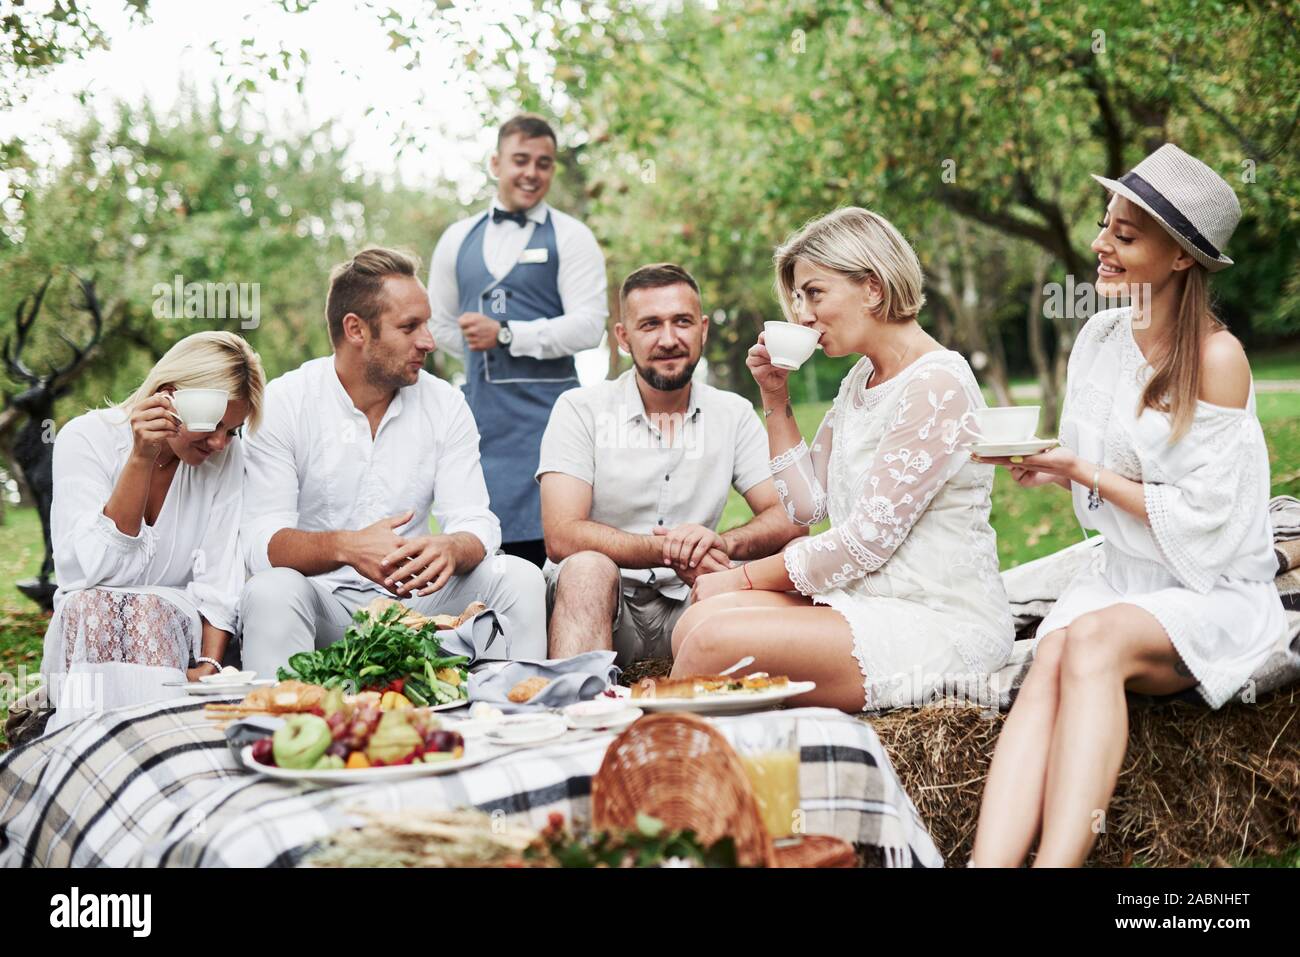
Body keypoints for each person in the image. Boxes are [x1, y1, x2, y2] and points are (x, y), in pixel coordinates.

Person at [970, 144, 1286, 867]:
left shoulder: (1217, 358)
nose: (1100, 244)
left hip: (1204, 585)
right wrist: (1059, 471)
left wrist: (1083, 468)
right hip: (1122, 575)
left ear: (1180, 257)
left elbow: (1205, 523)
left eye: (1125, 233)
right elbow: (1102, 472)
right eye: (1105, 223)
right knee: (1051, 651)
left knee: (1091, 643)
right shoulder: (1100, 336)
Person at [669, 208, 1014, 710]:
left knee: (711, 642)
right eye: (797, 298)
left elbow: (863, 543)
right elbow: (806, 506)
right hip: (868, 600)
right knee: (697, 622)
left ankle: (662, 760)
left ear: (872, 288)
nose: (802, 315)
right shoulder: (860, 380)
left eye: (814, 293)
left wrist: (740, 576)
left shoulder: (937, 383)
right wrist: (775, 397)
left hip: (939, 617)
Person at [239, 248, 547, 675]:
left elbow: (477, 521)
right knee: (270, 589)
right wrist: (345, 547)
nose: (429, 340)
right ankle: (280, 729)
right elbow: (260, 542)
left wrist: (453, 547)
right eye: (409, 327)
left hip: (419, 603)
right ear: (356, 330)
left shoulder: (446, 404)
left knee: (519, 576)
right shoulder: (285, 403)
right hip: (323, 603)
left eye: (426, 323)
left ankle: (511, 717)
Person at [537, 263, 804, 665]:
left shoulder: (732, 412)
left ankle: (779, 710)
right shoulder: (580, 409)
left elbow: (791, 515)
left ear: (703, 329)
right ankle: (582, 713)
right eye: (650, 325)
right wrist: (667, 550)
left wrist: (720, 545)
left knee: (800, 551)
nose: (669, 339)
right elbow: (562, 535)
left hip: (696, 603)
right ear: (624, 338)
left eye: (682, 322)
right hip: (608, 607)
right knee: (587, 567)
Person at [41, 331, 264, 729]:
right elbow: (90, 573)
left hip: (174, 629)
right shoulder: (85, 438)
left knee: (148, 611)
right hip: (88, 625)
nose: (218, 442)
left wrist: (210, 663)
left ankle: (151, 744)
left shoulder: (226, 460)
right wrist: (140, 458)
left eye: (232, 430)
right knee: (96, 607)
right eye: (212, 424)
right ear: (168, 396)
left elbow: (220, 573)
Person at [427, 113, 608, 568]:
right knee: (483, 553)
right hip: (483, 424)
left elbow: (590, 326)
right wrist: (477, 350)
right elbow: (439, 324)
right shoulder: (456, 239)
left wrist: (508, 335)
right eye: (521, 160)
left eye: (544, 163)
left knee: (558, 553)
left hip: (554, 421)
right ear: (495, 163)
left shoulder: (572, 237)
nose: (532, 173)